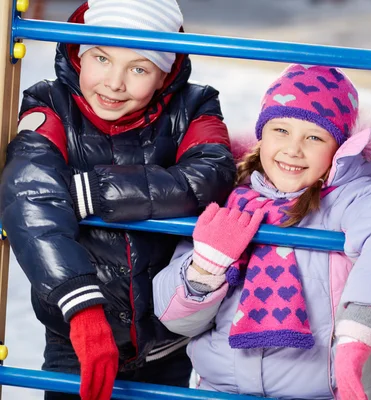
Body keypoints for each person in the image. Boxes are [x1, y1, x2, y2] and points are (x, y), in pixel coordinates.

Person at [152, 64, 371, 399]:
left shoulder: (351, 197)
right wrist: (205, 268)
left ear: (340, 148)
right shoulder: (230, 196)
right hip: (219, 389)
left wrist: (358, 331)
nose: (293, 149)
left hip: (320, 392)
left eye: (314, 137)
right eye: (281, 130)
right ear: (262, 133)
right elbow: (176, 319)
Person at [0, 0, 236, 399]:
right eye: (102, 58)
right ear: (78, 53)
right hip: (74, 334)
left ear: (166, 75)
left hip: (167, 338)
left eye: (139, 68)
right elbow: (31, 196)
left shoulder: (194, 107)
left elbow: (210, 175)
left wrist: (95, 192)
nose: (114, 83)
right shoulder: (50, 106)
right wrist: (81, 307)